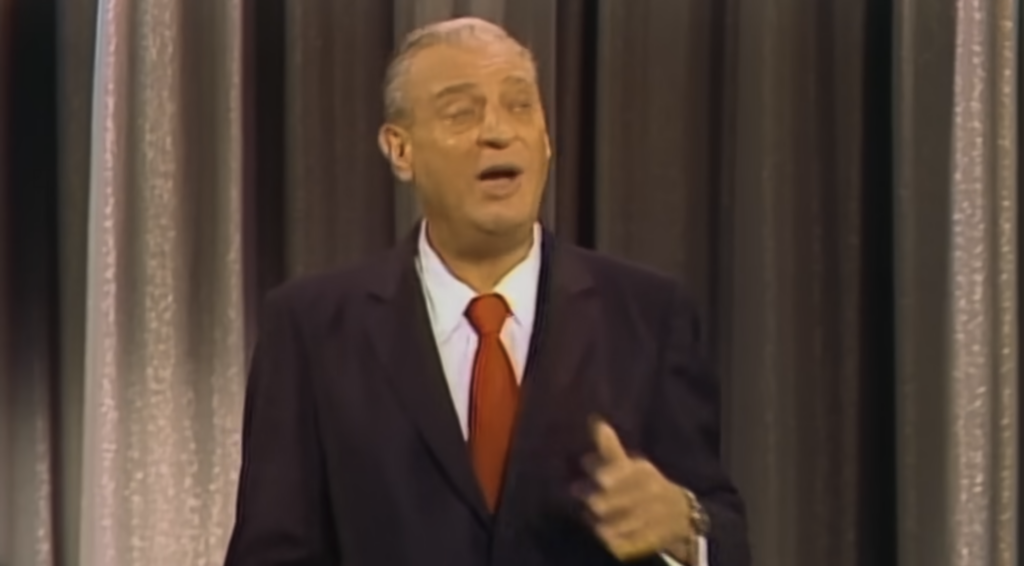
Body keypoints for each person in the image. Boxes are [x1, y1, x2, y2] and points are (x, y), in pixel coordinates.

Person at [224, 17, 749, 566]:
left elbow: (727, 532)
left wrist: (684, 526)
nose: (498, 131)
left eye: (521, 105)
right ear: (399, 150)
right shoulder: (310, 329)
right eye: (461, 112)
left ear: (546, 140)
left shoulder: (649, 316)